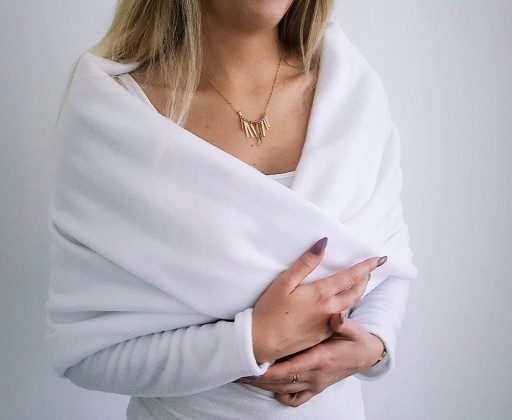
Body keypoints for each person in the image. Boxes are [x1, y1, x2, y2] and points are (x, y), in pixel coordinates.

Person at [47, 1, 417, 419]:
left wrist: (373, 347)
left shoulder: (351, 90)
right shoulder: (113, 118)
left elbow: (389, 263)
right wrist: (254, 341)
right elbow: (84, 354)